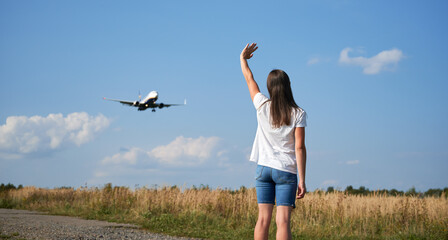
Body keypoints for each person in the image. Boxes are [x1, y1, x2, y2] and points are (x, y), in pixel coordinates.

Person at [240, 43, 307, 240]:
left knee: (262, 220)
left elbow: (249, 79)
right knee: (283, 222)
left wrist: (242, 59)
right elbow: (299, 147)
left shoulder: (261, 105)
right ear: (288, 86)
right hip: (286, 170)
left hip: (263, 169)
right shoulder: (298, 113)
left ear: (269, 87)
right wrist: (302, 180)